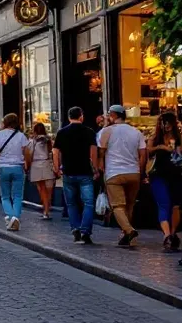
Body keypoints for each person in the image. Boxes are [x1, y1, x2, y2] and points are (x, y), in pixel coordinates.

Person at [98, 104, 147, 247]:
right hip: (133, 172)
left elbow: (101, 152)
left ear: (113, 115)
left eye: (109, 114)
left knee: (118, 206)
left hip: (114, 172)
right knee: (129, 205)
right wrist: (140, 170)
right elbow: (143, 154)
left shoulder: (106, 131)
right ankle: (126, 235)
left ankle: (129, 230)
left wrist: (100, 167)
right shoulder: (136, 132)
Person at [54, 107, 99, 245]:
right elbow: (93, 153)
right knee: (89, 203)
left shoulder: (61, 132)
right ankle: (85, 231)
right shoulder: (89, 132)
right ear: (81, 116)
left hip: (68, 172)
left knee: (71, 203)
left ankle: (75, 230)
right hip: (85, 172)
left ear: (69, 117)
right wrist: (96, 169)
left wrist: (57, 168)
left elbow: (55, 152)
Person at [145, 111, 182, 251]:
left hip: (176, 175)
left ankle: (172, 233)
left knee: (175, 206)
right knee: (164, 203)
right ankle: (166, 235)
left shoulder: (178, 139)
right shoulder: (154, 139)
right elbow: (147, 152)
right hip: (158, 175)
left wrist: (176, 150)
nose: (166, 126)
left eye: (168, 123)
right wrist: (160, 147)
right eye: (163, 123)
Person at [0, 113, 27, 231]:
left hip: (3, 168)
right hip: (17, 167)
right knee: (17, 196)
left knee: (5, 196)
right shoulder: (21, 136)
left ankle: (11, 217)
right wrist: (26, 163)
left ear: (5, 122)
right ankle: (15, 217)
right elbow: (26, 152)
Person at [26, 123, 55, 220]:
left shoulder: (32, 141)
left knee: (42, 190)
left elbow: (29, 155)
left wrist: (28, 166)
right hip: (47, 164)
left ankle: (45, 210)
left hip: (36, 165)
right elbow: (52, 152)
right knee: (49, 190)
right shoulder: (48, 140)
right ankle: (47, 208)